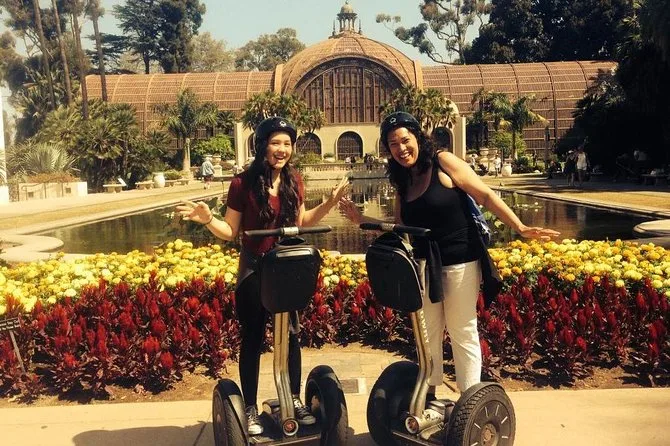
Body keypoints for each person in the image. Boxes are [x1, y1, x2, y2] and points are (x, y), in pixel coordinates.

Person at [338, 112, 559, 397]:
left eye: (405, 140)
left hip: (459, 261)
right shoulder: (403, 181)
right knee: (427, 331)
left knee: (461, 330)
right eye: (393, 144)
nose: (401, 148)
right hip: (425, 265)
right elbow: (401, 228)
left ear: (418, 137)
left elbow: (485, 195)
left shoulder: (443, 161)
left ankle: (470, 401)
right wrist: (361, 219)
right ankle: (429, 393)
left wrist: (520, 226)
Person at [177, 117, 349, 435]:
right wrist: (208, 219)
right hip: (255, 268)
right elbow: (230, 231)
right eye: (275, 143)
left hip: (286, 268)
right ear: (262, 146)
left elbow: (302, 222)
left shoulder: (294, 180)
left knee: (291, 338)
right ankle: (250, 408)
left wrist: (329, 203)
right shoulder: (242, 183)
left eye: (287, 143)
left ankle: (292, 399)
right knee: (253, 338)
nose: (281, 149)